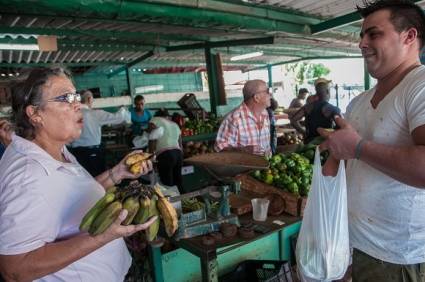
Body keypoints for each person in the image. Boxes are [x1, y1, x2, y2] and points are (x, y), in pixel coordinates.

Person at [0, 67, 157, 281]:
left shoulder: (56, 150)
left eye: (76, 96)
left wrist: (116, 174)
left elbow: (73, 198)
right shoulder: (27, 175)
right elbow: (15, 269)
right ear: (35, 114)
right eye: (67, 98)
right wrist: (103, 236)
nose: (78, 104)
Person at [318, 1, 425, 281]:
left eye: (374, 34)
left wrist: (357, 147)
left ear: (409, 36)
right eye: (361, 35)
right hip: (356, 246)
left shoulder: (419, 86)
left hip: (399, 257)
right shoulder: (358, 103)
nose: (362, 43)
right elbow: (340, 169)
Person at [69, 90, 127, 176]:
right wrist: (123, 108)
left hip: (76, 153)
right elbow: (119, 118)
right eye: (92, 99)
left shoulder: (70, 115)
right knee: (97, 178)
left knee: (82, 178)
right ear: (89, 99)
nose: (93, 101)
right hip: (93, 152)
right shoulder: (95, 114)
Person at [215, 79, 271, 156]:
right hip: (245, 167)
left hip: (267, 166)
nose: (270, 94)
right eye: (267, 91)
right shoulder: (234, 119)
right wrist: (243, 150)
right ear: (256, 97)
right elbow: (220, 149)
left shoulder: (265, 113)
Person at [290, 78, 341, 143]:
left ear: (316, 92)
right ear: (328, 91)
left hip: (309, 145)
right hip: (326, 145)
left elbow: (293, 120)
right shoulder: (332, 108)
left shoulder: (307, 107)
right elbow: (341, 126)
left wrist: (304, 132)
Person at [147, 108, 183, 193]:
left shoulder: (155, 119)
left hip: (166, 155)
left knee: (167, 185)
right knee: (178, 182)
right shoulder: (175, 124)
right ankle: (183, 202)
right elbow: (180, 144)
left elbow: (151, 135)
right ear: (167, 116)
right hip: (178, 154)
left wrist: (151, 157)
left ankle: (170, 204)